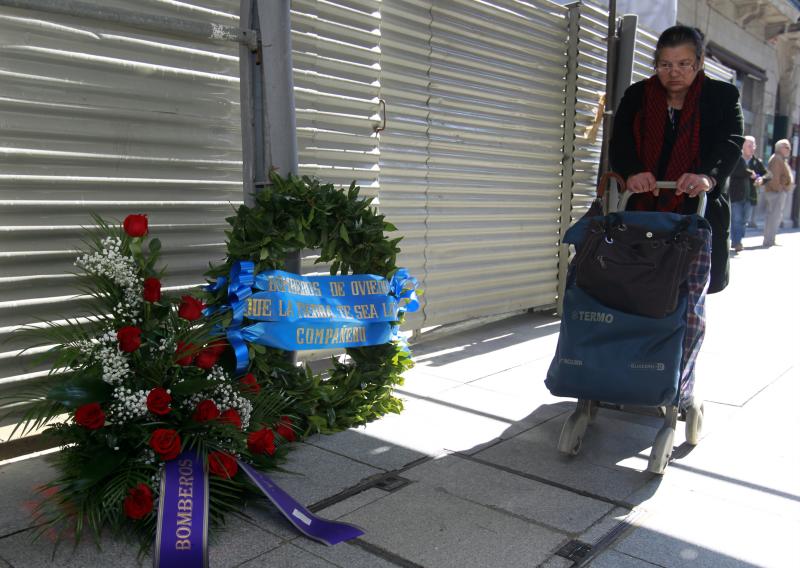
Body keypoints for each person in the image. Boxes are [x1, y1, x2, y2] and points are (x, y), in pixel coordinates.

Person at [610, 25, 744, 294]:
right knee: (637, 289)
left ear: (699, 62)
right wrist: (633, 172)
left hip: (698, 210)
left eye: (684, 64)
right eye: (665, 64)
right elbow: (620, 141)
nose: (674, 72)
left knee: (689, 294)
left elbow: (731, 141)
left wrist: (708, 175)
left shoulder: (722, 96)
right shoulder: (637, 95)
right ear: (656, 64)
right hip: (645, 211)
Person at [728, 136, 768, 252]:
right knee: (736, 219)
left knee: (744, 220)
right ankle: (737, 242)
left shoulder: (756, 161)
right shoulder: (737, 159)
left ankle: (737, 240)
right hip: (736, 195)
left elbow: (767, 174)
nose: (752, 148)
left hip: (750, 197)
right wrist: (750, 173)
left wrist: (762, 179)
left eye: (754, 146)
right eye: (749, 146)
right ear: (743, 147)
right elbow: (736, 170)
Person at [762, 139, 794, 247]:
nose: (789, 150)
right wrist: (779, 189)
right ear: (780, 148)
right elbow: (774, 177)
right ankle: (769, 241)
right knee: (773, 217)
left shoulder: (780, 159)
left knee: (775, 217)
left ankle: (771, 239)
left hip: (778, 192)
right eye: (787, 147)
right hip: (776, 192)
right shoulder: (776, 159)